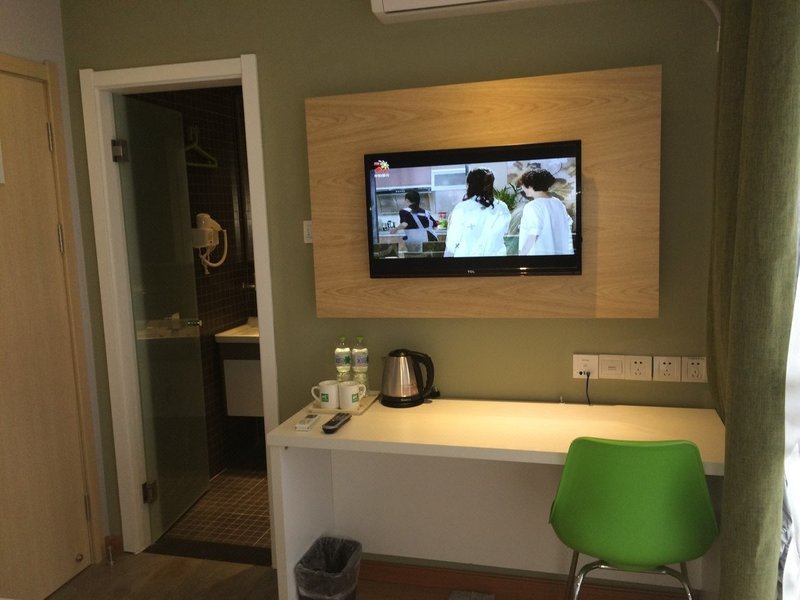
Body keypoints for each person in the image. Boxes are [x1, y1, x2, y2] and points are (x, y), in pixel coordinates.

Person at [444, 168, 511, 257]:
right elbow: (505, 234)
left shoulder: (462, 208)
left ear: (470, 185)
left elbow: (451, 244)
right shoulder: (502, 207)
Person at [517, 168, 574, 255]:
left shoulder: (532, 206)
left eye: (523, 185)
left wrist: (522, 255)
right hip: (559, 257)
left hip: (538, 258)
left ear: (530, 186)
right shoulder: (558, 204)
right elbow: (568, 228)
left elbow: (533, 234)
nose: (522, 188)